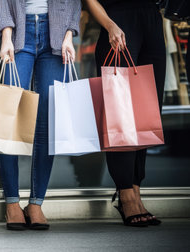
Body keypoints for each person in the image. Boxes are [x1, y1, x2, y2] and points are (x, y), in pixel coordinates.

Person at [0, 0, 81, 230]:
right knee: (9, 118)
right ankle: (12, 202)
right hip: (19, 33)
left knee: (46, 123)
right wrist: (6, 36)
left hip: (57, 34)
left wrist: (70, 34)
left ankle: (36, 203)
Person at [85, 0, 165, 227]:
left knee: (147, 110)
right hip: (117, 18)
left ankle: (137, 189)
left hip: (151, 17)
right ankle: (126, 194)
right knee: (119, 113)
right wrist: (110, 25)